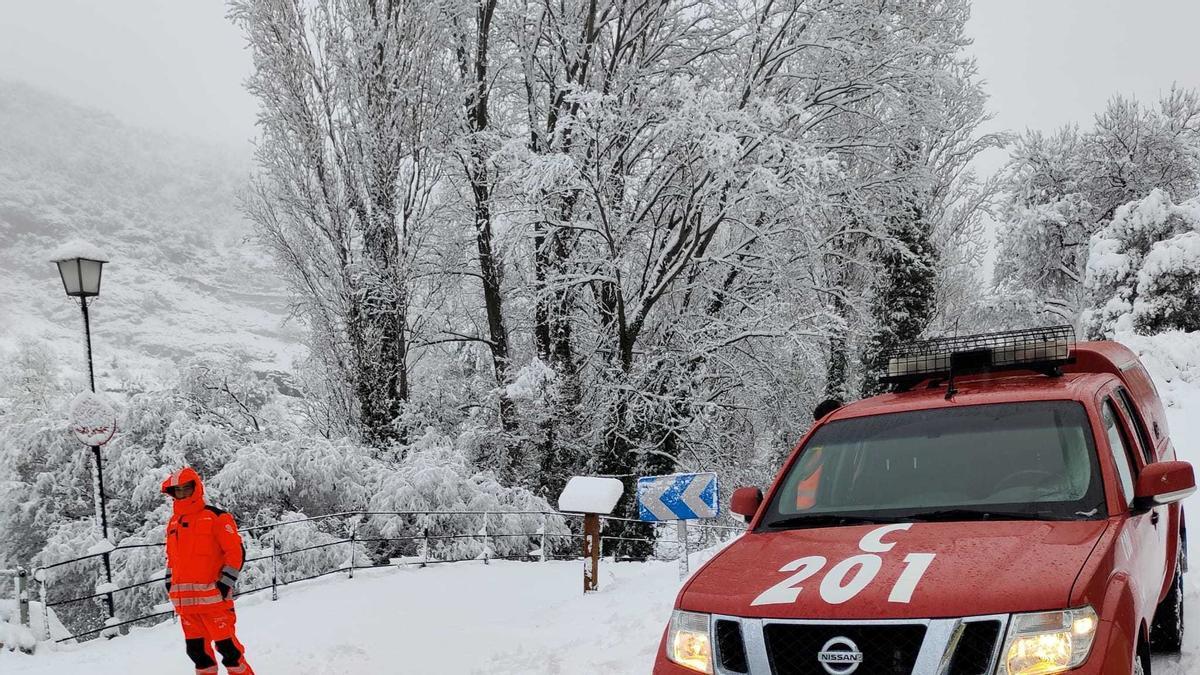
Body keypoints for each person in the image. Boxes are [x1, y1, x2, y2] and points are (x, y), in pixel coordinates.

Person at [161, 467, 255, 675]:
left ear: (196, 488)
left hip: (214, 601)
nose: (183, 493)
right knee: (197, 654)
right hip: (185, 603)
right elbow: (172, 557)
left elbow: (235, 552)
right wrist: (169, 582)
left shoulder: (216, 517)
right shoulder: (173, 522)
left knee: (229, 651)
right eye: (178, 490)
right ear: (172, 493)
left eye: (186, 488)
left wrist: (224, 584)